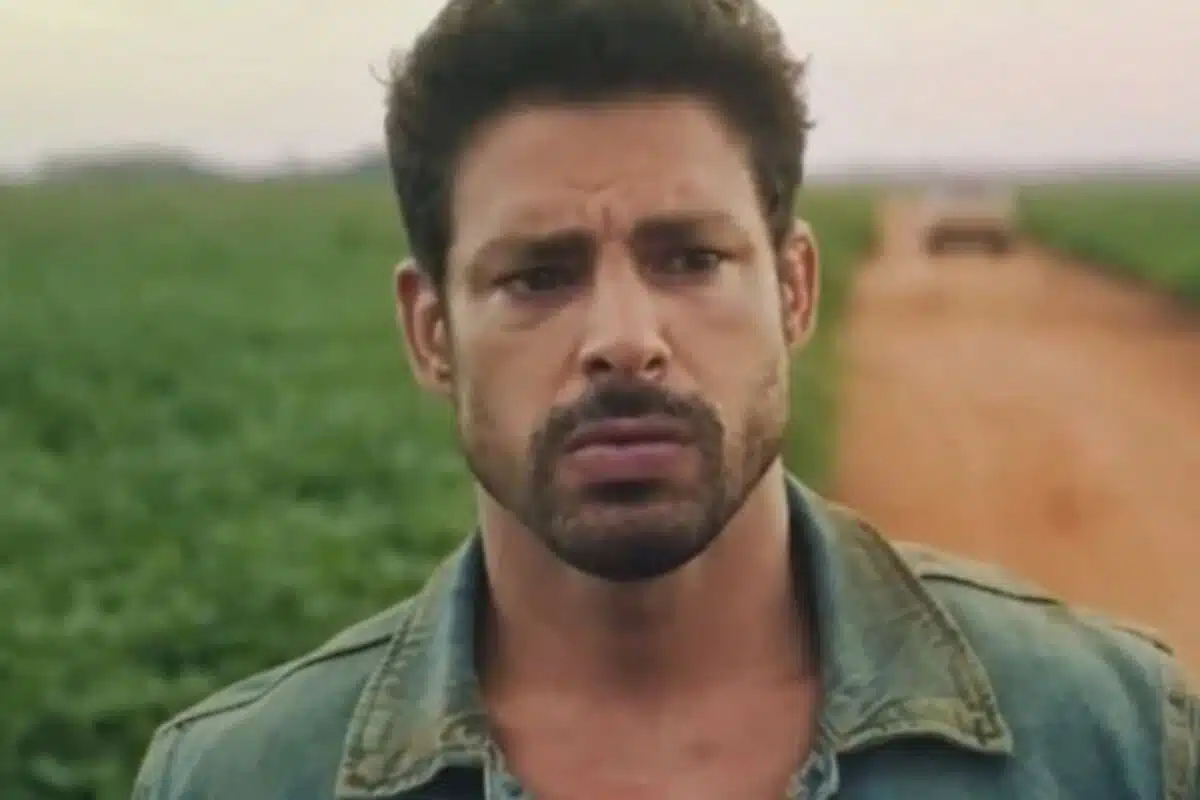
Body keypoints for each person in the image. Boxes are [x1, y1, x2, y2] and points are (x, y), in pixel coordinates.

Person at [132, 0, 1199, 797]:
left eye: (690, 258)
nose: (624, 340)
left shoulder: (1110, 743)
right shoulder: (236, 779)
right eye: (537, 276)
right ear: (431, 333)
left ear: (793, 289)